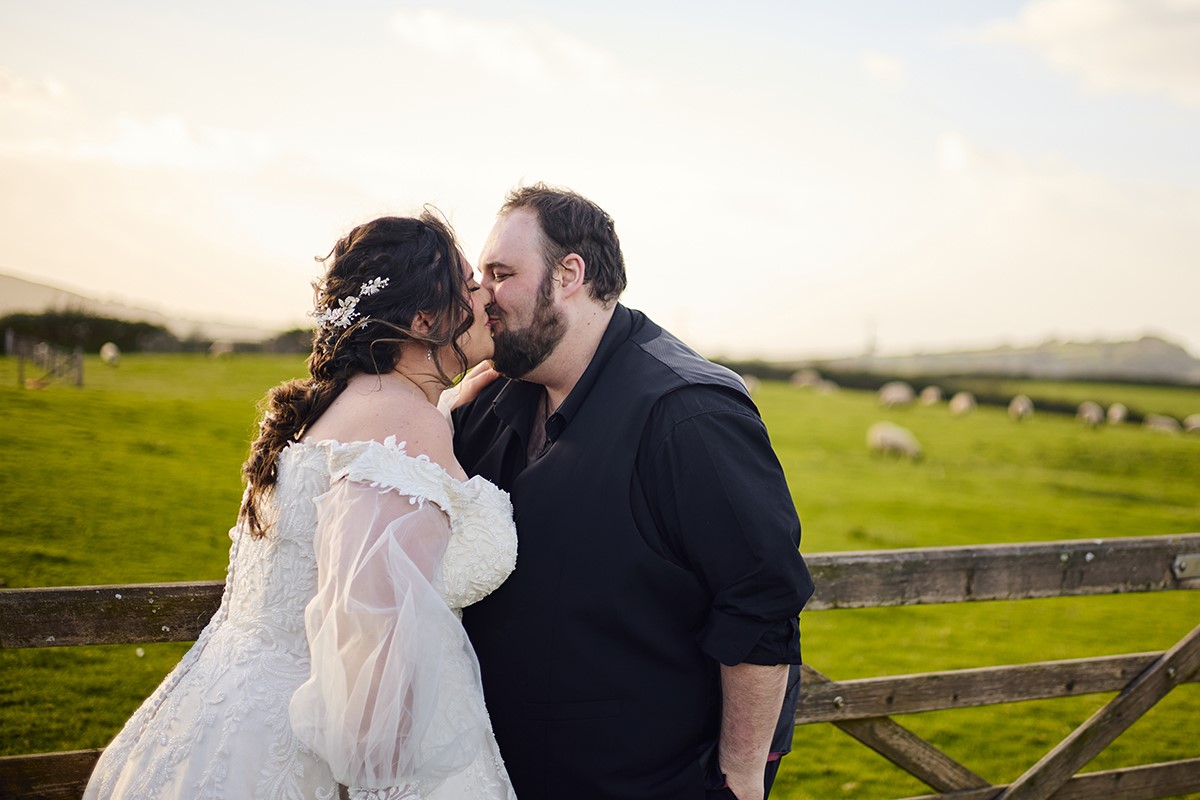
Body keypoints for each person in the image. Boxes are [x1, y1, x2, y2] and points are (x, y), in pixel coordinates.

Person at [84, 213, 520, 800]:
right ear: (423, 321)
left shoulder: (340, 408)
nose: (485, 294)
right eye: (469, 285)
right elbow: (371, 688)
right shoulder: (404, 423)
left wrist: (440, 403)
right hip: (318, 753)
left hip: (228, 719)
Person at [452, 184, 815, 800]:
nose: (481, 294)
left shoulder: (690, 415)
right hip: (492, 775)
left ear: (569, 274)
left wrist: (740, 779)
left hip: (649, 779)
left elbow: (761, 599)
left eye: (501, 274)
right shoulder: (484, 403)